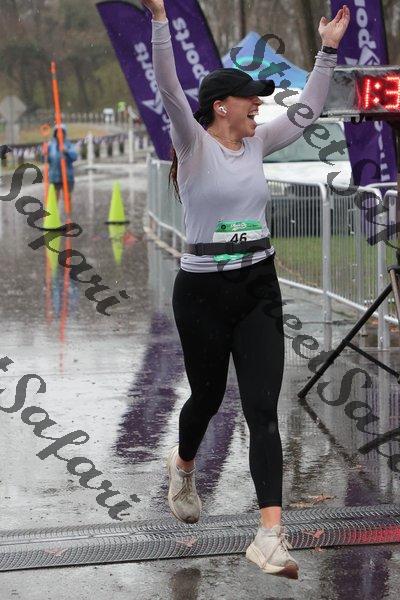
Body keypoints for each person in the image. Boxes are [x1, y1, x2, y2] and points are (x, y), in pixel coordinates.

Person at [141, 0, 350, 579]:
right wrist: (159, 19)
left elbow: (307, 111)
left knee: (263, 410)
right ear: (221, 106)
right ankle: (183, 465)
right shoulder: (194, 144)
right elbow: (169, 87)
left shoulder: (257, 142)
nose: (259, 104)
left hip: (258, 286)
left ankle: (269, 537)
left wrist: (327, 51)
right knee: (207, 399)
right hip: (203, 293)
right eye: (251, 98)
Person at [47, 124, 77, 202]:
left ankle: (68, 210)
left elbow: (74, 157)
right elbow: (48, 160)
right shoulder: (51, 145)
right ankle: (55, 210)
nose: (60, 134)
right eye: (58, 132)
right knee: (54, 199)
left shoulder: (69, 144)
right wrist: (44, 154)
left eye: (61, 132)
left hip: (67, 176)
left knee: (67, 198)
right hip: (54, 176)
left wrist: (66, 151)